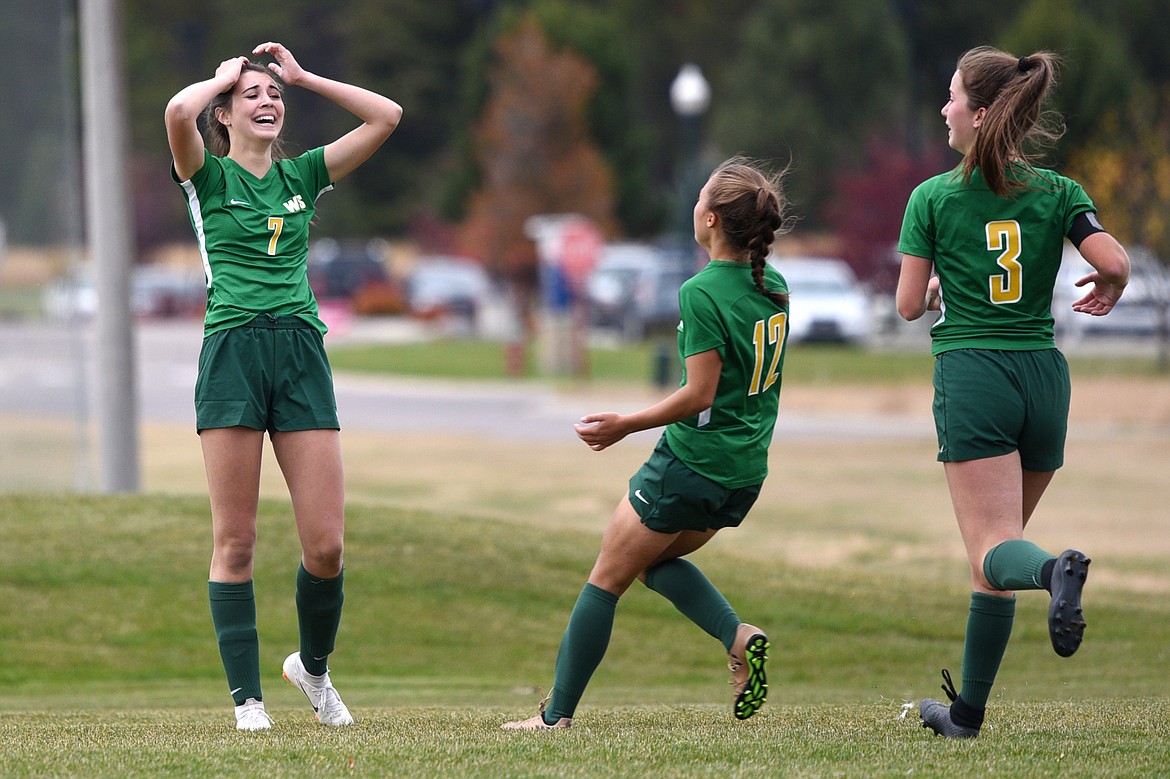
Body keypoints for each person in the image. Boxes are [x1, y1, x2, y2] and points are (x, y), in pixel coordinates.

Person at [503, 158, 792, 730]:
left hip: (690, 463)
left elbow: (698, 394)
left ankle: (554, 718)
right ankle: (738, 638)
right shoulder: (772, 284)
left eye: (698, 199)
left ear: (709, 218)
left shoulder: (701, 291)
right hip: (744, 472)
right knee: (649, 564)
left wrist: (625, 425)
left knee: (605, 578)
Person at [164, 42, 402, 731]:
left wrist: (304, 76)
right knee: (234, 540)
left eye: (275, 96)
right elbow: (179, 110)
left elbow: (386, 117)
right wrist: (221, 76)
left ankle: (314, 669)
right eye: (253, 96)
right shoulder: (203, 175)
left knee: (325, 545)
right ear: (226, 116)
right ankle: (248, 701)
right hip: (233, 352)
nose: (268, 103)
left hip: (300, 351)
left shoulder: (302, 173)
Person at [896, 46, 1130, 739]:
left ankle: (1059, 567)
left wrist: (940, 282)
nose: (944, 109)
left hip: (976, 374)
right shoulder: (1058, 192)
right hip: (1043, 377)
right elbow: (1112, 260)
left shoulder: (933, 197)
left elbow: (908, 305)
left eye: (952, 99)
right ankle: (966, 714)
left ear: (982, 111)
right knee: (992, 559)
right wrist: (1111, 285)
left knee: (998, 548)